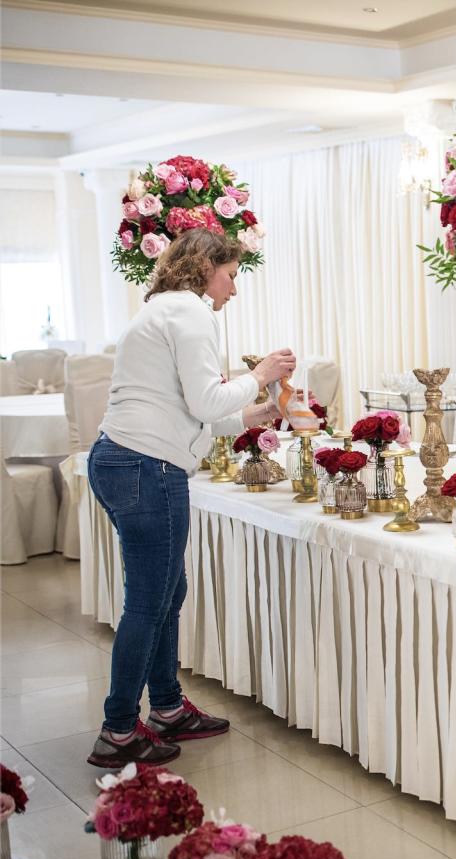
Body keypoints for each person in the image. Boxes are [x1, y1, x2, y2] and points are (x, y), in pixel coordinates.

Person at [86, 228, 296, 768]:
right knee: (151, 600)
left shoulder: (163, 310)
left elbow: (195, 408)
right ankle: (116, 729)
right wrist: (261, 374)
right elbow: (205, 400)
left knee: (165, 592)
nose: (233, 289)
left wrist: (262, 412)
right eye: (230, 275)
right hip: (147, 466)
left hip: (121, 459)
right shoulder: (191, 313)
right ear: (206, 269)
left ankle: (169, 708)